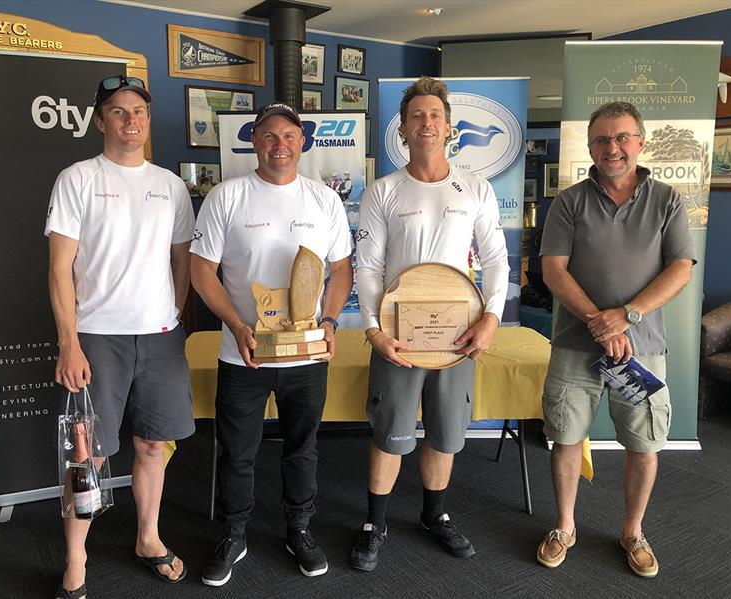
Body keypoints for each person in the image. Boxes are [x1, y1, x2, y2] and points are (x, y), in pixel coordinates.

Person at [350, 77, 510, 572]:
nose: (426, 123)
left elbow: (498, 260)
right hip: (398, 335)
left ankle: (433, 516)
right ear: (402, 128)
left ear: (448, 128)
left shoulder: (476, 189)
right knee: (391, 431)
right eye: (416, 115)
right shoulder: (384, 190)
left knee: (446, 433)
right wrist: (375, 330)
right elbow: (368, 268)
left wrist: (491, 318)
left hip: (458, 336)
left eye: (434, 116)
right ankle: (375, 524)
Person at [190, 102, 353, 586]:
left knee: (302, 448)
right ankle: (234, 533)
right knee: (237, 450)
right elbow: (202, 270)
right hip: (243, 353)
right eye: (268, 136)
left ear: (302, 143)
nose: (278, 144)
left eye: (288, 135)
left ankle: (298, 529)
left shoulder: (325, 200)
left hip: (306, 353)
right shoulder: (227, 196)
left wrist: (329, 319)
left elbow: (341, 269)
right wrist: (238, 325)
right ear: (254, 142)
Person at [46, 75, 196, 598]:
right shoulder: (77, 178)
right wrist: (69, 343)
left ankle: (148, 538)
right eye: (117, 111)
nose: (130, 119)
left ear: (147, 120)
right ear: (99, 121)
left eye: (139, 111)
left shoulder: (171, 185)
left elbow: (182, 260)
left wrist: (172, 316)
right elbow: (59, 268)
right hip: (96, 337)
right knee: (86, 453)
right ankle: (76, 558)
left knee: (153, 444)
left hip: (158, 339)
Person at [535, 101, 695, 578]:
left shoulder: (667, 199)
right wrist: (597, 322)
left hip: (641, 350)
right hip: (574, 344)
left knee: (644, 444)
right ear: (590, 147)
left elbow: (681, 268)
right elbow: (552, 270)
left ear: (640, 142)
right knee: (565, 437)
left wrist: (626, 317)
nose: (613, 147)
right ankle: (565, 525)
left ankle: (633, 531)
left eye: (622, 137)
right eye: (602, 139)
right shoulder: (569, 202)